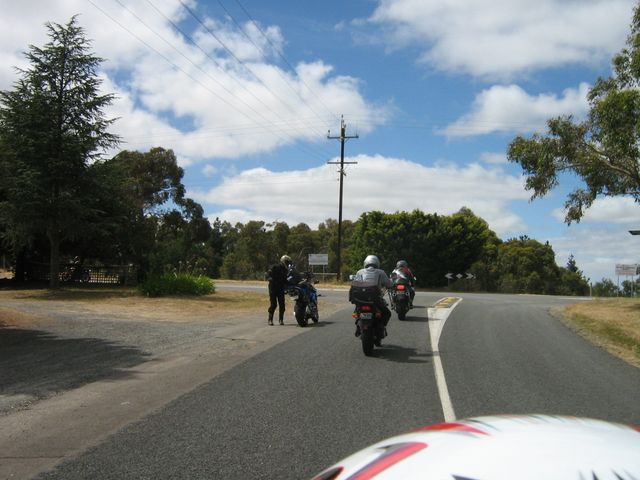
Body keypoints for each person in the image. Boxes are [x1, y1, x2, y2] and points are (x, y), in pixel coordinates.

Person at [351, 254, 393, 332]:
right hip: (376, 299)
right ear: (377, 263)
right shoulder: (381, 272)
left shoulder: (359, 272)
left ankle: (358, 326)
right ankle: (381, 327)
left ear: (365, 262)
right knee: (387, 313)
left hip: (361, 299)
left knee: (356, 312)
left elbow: (355, 283)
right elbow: (389, 284)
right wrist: (391, 284)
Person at [266, 255, 291, 325]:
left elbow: (285, 280)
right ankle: (270, 319)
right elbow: (268, 274)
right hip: (273, 288)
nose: (287, 263)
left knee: (282, 305)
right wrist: (270, 278)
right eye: (286, 262)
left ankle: (281, 320)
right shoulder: (275, 267)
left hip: (281, 288)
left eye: (288, 262)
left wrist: (291, 283)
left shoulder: (285, 270)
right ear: (283, 261)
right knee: (273, 304)